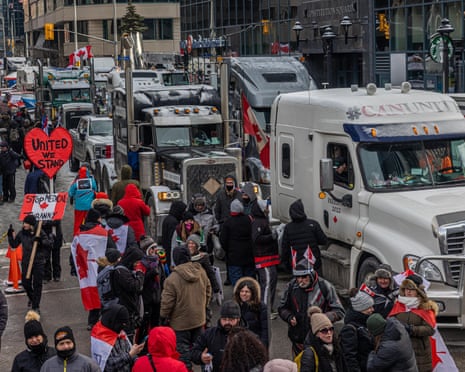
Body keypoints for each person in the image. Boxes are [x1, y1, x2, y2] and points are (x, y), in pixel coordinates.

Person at [278, 258, 345, 356]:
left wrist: (323, 319)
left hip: (320, 341)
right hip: (298, 340)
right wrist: (288, 316)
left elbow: (339, 311)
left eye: (304, 276)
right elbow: (281, 308)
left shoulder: (325, 286)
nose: (300, 280)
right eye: (298, 277)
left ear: (311, 275)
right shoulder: (291, 286)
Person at [160, 246, 211, 370]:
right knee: (202, 352)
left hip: (180, 324)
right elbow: (208, 291)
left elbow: (167, 303)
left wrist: (163, 317)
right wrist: (202, 307)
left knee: (183, 356)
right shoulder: (201, 272)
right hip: (199, 320)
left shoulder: (172, 279)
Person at [71, 208, 116, 330]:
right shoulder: (102, 232)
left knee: (91, 293)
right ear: (98, 219)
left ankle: (92, 321)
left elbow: (74, 251)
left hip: (85, 269)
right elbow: (112, 248)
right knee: (103, 292)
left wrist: (74, 268)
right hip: (101, 266)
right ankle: (103, 320)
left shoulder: (79, 233)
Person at [388, 274, 438, 372]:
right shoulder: (398, 305)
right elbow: (390, 324)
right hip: (401, 350)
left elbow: (430, 329)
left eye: (412, 289)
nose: (409, 291)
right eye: (406, 288)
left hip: (420, 352)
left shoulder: (425, 307)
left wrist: (412, 329)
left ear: (418, 291)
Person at [8, 215, 53, 313]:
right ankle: (32, 298)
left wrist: (40, 241)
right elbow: (14, 244)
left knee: (37, 284)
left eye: (26, 223)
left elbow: (48, 244)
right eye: (24, 223)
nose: (24, 225)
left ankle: (36, 306)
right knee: (26, 283)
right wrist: (10, 236)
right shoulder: (22, 234)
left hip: (38, 262)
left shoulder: (39, 232)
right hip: (26, 262)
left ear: (31, 225)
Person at [191, 300, 243, 372]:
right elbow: (194, 351)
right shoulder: (209, 334)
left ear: (238, 319)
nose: (227, 322)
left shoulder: (247, 337)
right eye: (224, 319)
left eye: (231, 319)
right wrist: (201, 357)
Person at [90, 304, 144, 371]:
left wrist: (137, 359)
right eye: (122, 324)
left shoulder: (118, 331)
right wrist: (129, 355)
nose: (123, 327)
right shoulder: (100, 337)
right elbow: (107, 366)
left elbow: (129, 350)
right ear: (113, 320)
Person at [281, 199, 327, 275]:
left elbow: (285, 248)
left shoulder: (288, 228)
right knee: (316, 283)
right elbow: (323, 240)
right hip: (313, 263)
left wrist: (285, 264)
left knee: (300, 284)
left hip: (297, 264)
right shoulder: (313, 224)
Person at [251, 199, 280, 318]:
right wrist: (271, 236)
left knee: (271, 282)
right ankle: (265, 310)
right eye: (266, 207)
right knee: (267, 283)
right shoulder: (257, 222)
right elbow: (256, 239)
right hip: (263, 258)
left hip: (269, 257)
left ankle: (269, 307)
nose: (268, 210)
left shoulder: (263, 220)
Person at [219, 199, 255, 286]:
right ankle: (251, 297)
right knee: (249, 281)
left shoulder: (228, 223)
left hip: (234, 257)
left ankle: (240, 298)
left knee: (237, 283)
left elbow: (223, 240)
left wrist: (228, 250)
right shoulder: (248, 220)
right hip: (248, 255)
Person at [339, 288, 375, 372]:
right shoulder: (350, 329)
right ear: (360, 309)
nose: (372, 309)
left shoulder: (365, 322)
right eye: (369, 307)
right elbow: (349, 357)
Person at [233, 276, 269, 347]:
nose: (244, 294)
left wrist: (263, 346)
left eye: (247, 292)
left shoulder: (261, 307)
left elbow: (265, 330)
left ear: (253, 293)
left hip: (255, 343)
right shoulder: (235, 306)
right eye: (242, 291)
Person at [68, 165, 98, 236]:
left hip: (79, 207)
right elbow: (95, 190)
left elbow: (70, 193)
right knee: (89, 221)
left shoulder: (76, 183)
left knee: (78, 222)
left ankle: (77, 235)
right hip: (89, 206)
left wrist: (76, 194)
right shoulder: (91, 181)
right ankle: (89, 234)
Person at [161, 200, 187, 267]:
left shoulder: (167, 219)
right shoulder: (173, 222)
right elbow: (173, 240)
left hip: (167, 250)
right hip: (171, 252)